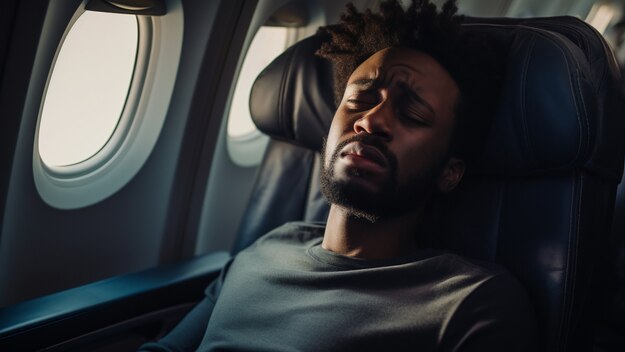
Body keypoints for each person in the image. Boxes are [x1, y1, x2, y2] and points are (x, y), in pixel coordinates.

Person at [140, 0, 537, 350]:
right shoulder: (266, 250)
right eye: (360, 99)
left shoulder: (468, 304)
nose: (371, 120)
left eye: (412, 114)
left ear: (450, 173)